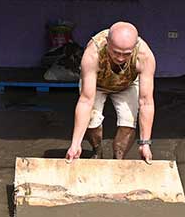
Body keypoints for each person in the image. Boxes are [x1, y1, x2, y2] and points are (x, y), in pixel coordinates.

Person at [65, 21, 156, 163]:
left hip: (127, 83)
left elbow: (146, 102)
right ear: (107, 42)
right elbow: (85, 101)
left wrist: (145, 144)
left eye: (126, 54)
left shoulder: (144, 56)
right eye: (115, 52)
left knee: (128, 122)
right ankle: (97, 150)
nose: (120, 58)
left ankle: (118, 159)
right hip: (97, 84)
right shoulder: (93, 53)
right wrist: (75, 144)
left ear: (135, 46)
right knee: (92, 121)